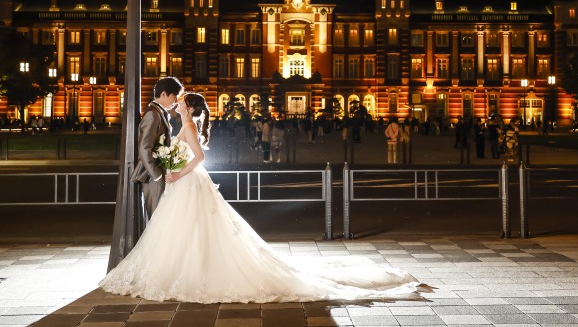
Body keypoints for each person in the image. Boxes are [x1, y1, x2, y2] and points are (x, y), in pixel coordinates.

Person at [101, 93, 422, 303]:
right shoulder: (184, 125)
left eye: (183, 102)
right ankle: (190, 268)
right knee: (193, 231)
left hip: (187, 182)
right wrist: (173, 167)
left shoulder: (186, 126)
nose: (179, 104)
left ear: (190, 109)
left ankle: (189, 271)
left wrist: (175, 173)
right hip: (187, 184)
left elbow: (196, 158)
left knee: (190, 230)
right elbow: (189, 156)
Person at [130, 76, 182, 223]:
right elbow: (144, 147)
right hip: (152, 176)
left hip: (158, 173)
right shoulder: (153, 114)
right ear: (164, 94)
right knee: (156, 220)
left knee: (160, 218)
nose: (176, 101)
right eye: (174, 96)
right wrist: (157, 175)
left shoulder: (158, 112)